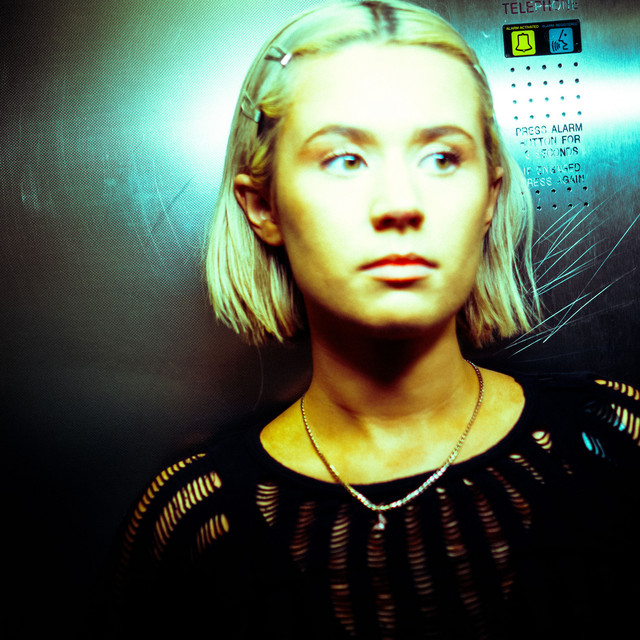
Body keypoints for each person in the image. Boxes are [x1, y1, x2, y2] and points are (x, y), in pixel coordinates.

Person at [99, 2, 640, 638]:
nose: (400, 204)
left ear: (490, 196)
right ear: (263, 206)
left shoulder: (617, 442)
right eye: (344, 159)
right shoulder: (195, 520)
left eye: (442, 158)